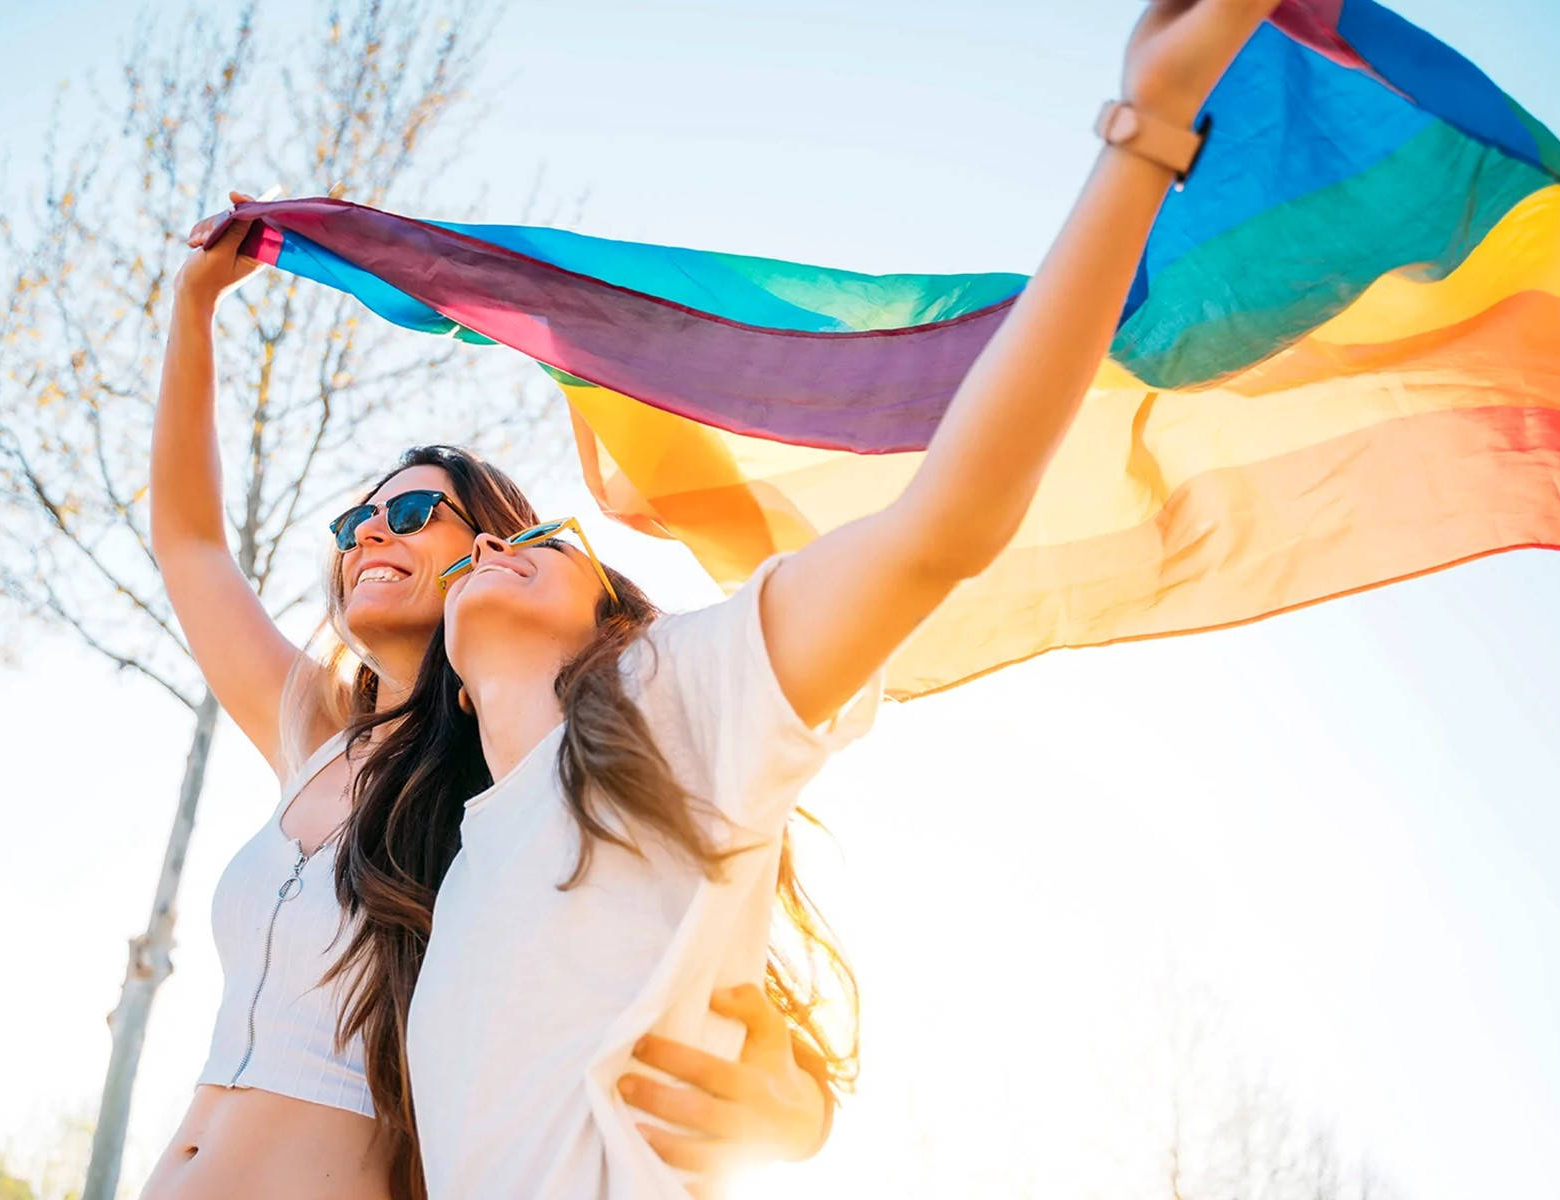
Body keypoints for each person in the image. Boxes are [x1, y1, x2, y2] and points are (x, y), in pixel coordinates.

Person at [329, 2, 1280, 1197]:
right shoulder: (448, 862)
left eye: (545, 540)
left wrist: (1142, 136)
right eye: (461, 556)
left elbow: (950, 519)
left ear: (615, 619)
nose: (493, 556)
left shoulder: (678, 696)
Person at [138, 227, 842, 1198]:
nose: (371, 531)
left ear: (492, 555)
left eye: (416, 513)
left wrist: (798, 1116)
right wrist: (194, 304)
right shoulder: (315, 730)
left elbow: (690, 935)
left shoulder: (528, 768)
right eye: (356, 523)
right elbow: (189, 545)